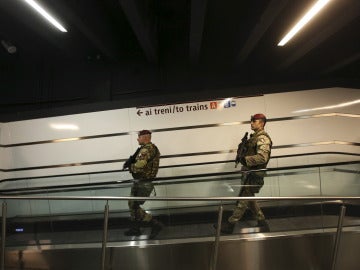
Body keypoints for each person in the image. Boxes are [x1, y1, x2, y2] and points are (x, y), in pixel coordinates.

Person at [221, 113, 272, 233]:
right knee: (249, 199)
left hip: (254, 175)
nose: (252, 123)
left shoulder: (262, 138)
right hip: (249, 173)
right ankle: (262, 222)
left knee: (242, 200)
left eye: (254, 121)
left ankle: (230, 224)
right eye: (252, 121)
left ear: (262, 123)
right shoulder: (254, 137)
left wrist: (246, 160)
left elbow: (263, 157)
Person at [123, 129, 163, 239]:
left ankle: (155, 224)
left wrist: (130, 167)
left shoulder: (146, 150)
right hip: (142, 182)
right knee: (133, 204)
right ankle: (136, 228)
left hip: (144, 182)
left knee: (134, 205)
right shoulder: (151, 148)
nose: (137, 139)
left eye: (139, 137)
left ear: (145, 137)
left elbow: (140, 165)